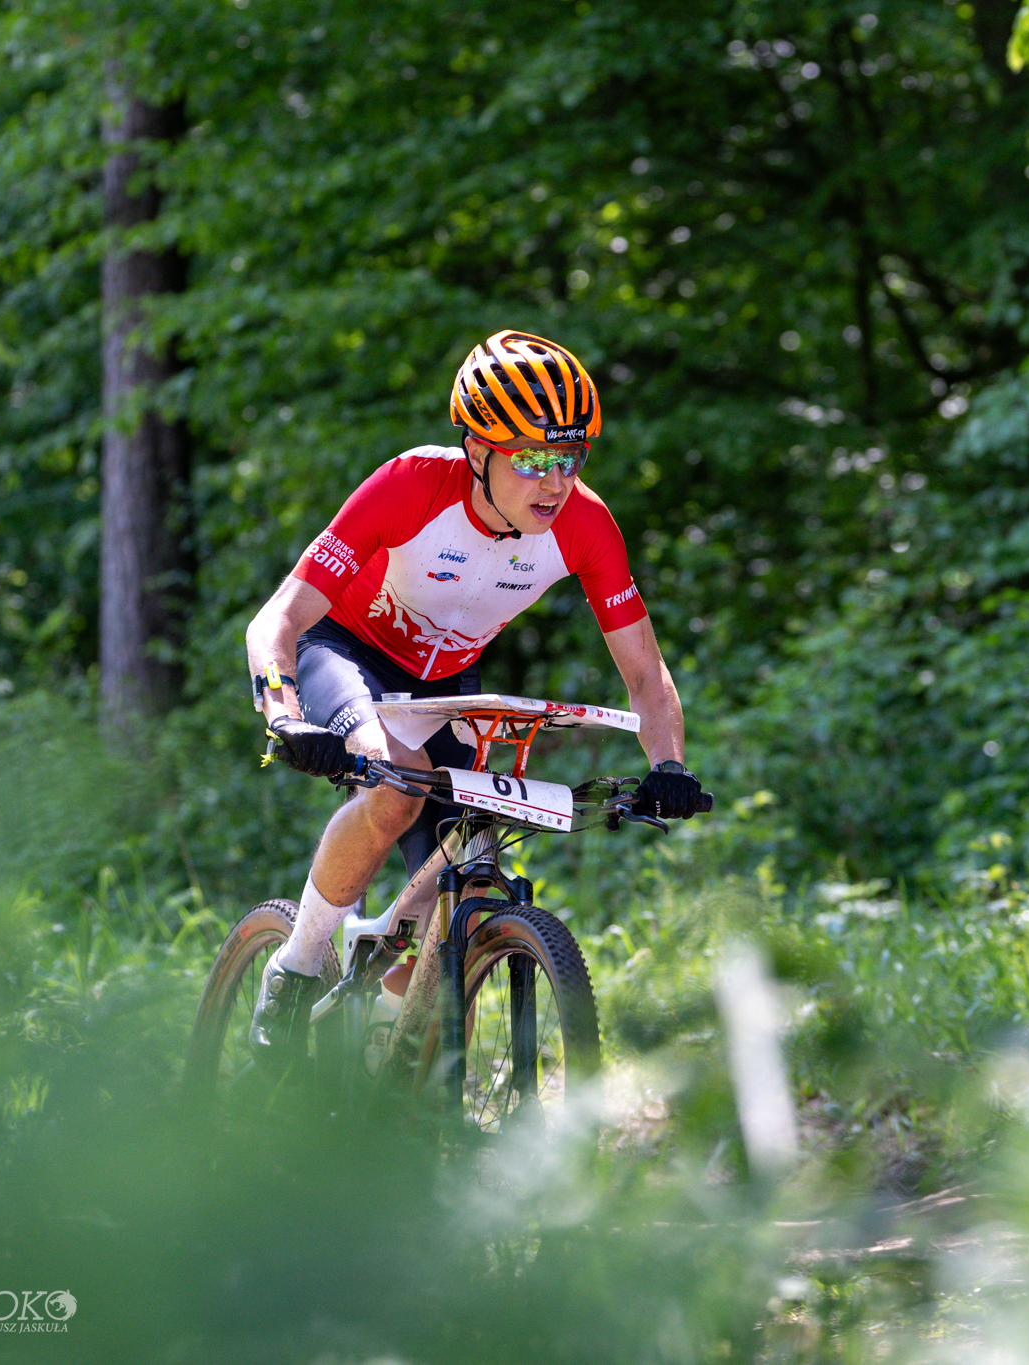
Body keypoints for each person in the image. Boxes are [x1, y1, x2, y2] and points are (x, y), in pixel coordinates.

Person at [241, 329, 708, 1053]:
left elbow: (645, 672)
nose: (555, 482)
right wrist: (284, 711)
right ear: (479, 451)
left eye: (569, 458)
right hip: (348, 654)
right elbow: (279, 617)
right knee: (398, 788)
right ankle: (296, 964)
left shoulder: (585, 523)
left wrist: (670, 767)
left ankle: (390, 1051)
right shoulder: (410, 485)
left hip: (449, 684)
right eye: (532, 459)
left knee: (475, 873)